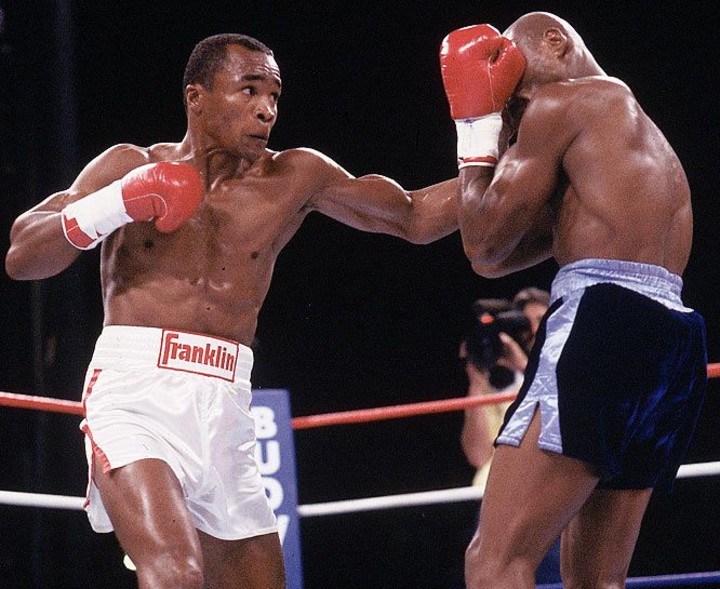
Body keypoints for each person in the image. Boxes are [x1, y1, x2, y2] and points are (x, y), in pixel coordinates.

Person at [5, 34, 458, 589]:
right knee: (174, 572)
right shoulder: (130, 164)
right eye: (249, 90)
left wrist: (503, 151)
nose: (267, 108)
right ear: (196, 97)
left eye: (274, 95)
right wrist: (115, 203)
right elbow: (22, 255)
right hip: (134, 396)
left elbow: (412, 216)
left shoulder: (295, 176)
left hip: (226, 406)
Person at [440, 12, 707, 589]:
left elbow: (480, 238)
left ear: (555, 42)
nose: (517, 109)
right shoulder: (638, 145)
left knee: (494, 561)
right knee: (596, 581)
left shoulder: (566, 102)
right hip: (675, 342)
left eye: (518, 90)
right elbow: (491, 258)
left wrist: (475, 123)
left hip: (603, 320)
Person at [459, 288, 560, 584]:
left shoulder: (564, 371)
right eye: (525, 324)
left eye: (541, 320)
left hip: (548, 484)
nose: (532, 331)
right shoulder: (497, 386)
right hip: (494, 492)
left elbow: (562, 417)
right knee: (488, 570)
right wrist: (476, 383)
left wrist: (525, 369)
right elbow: (478, 455)